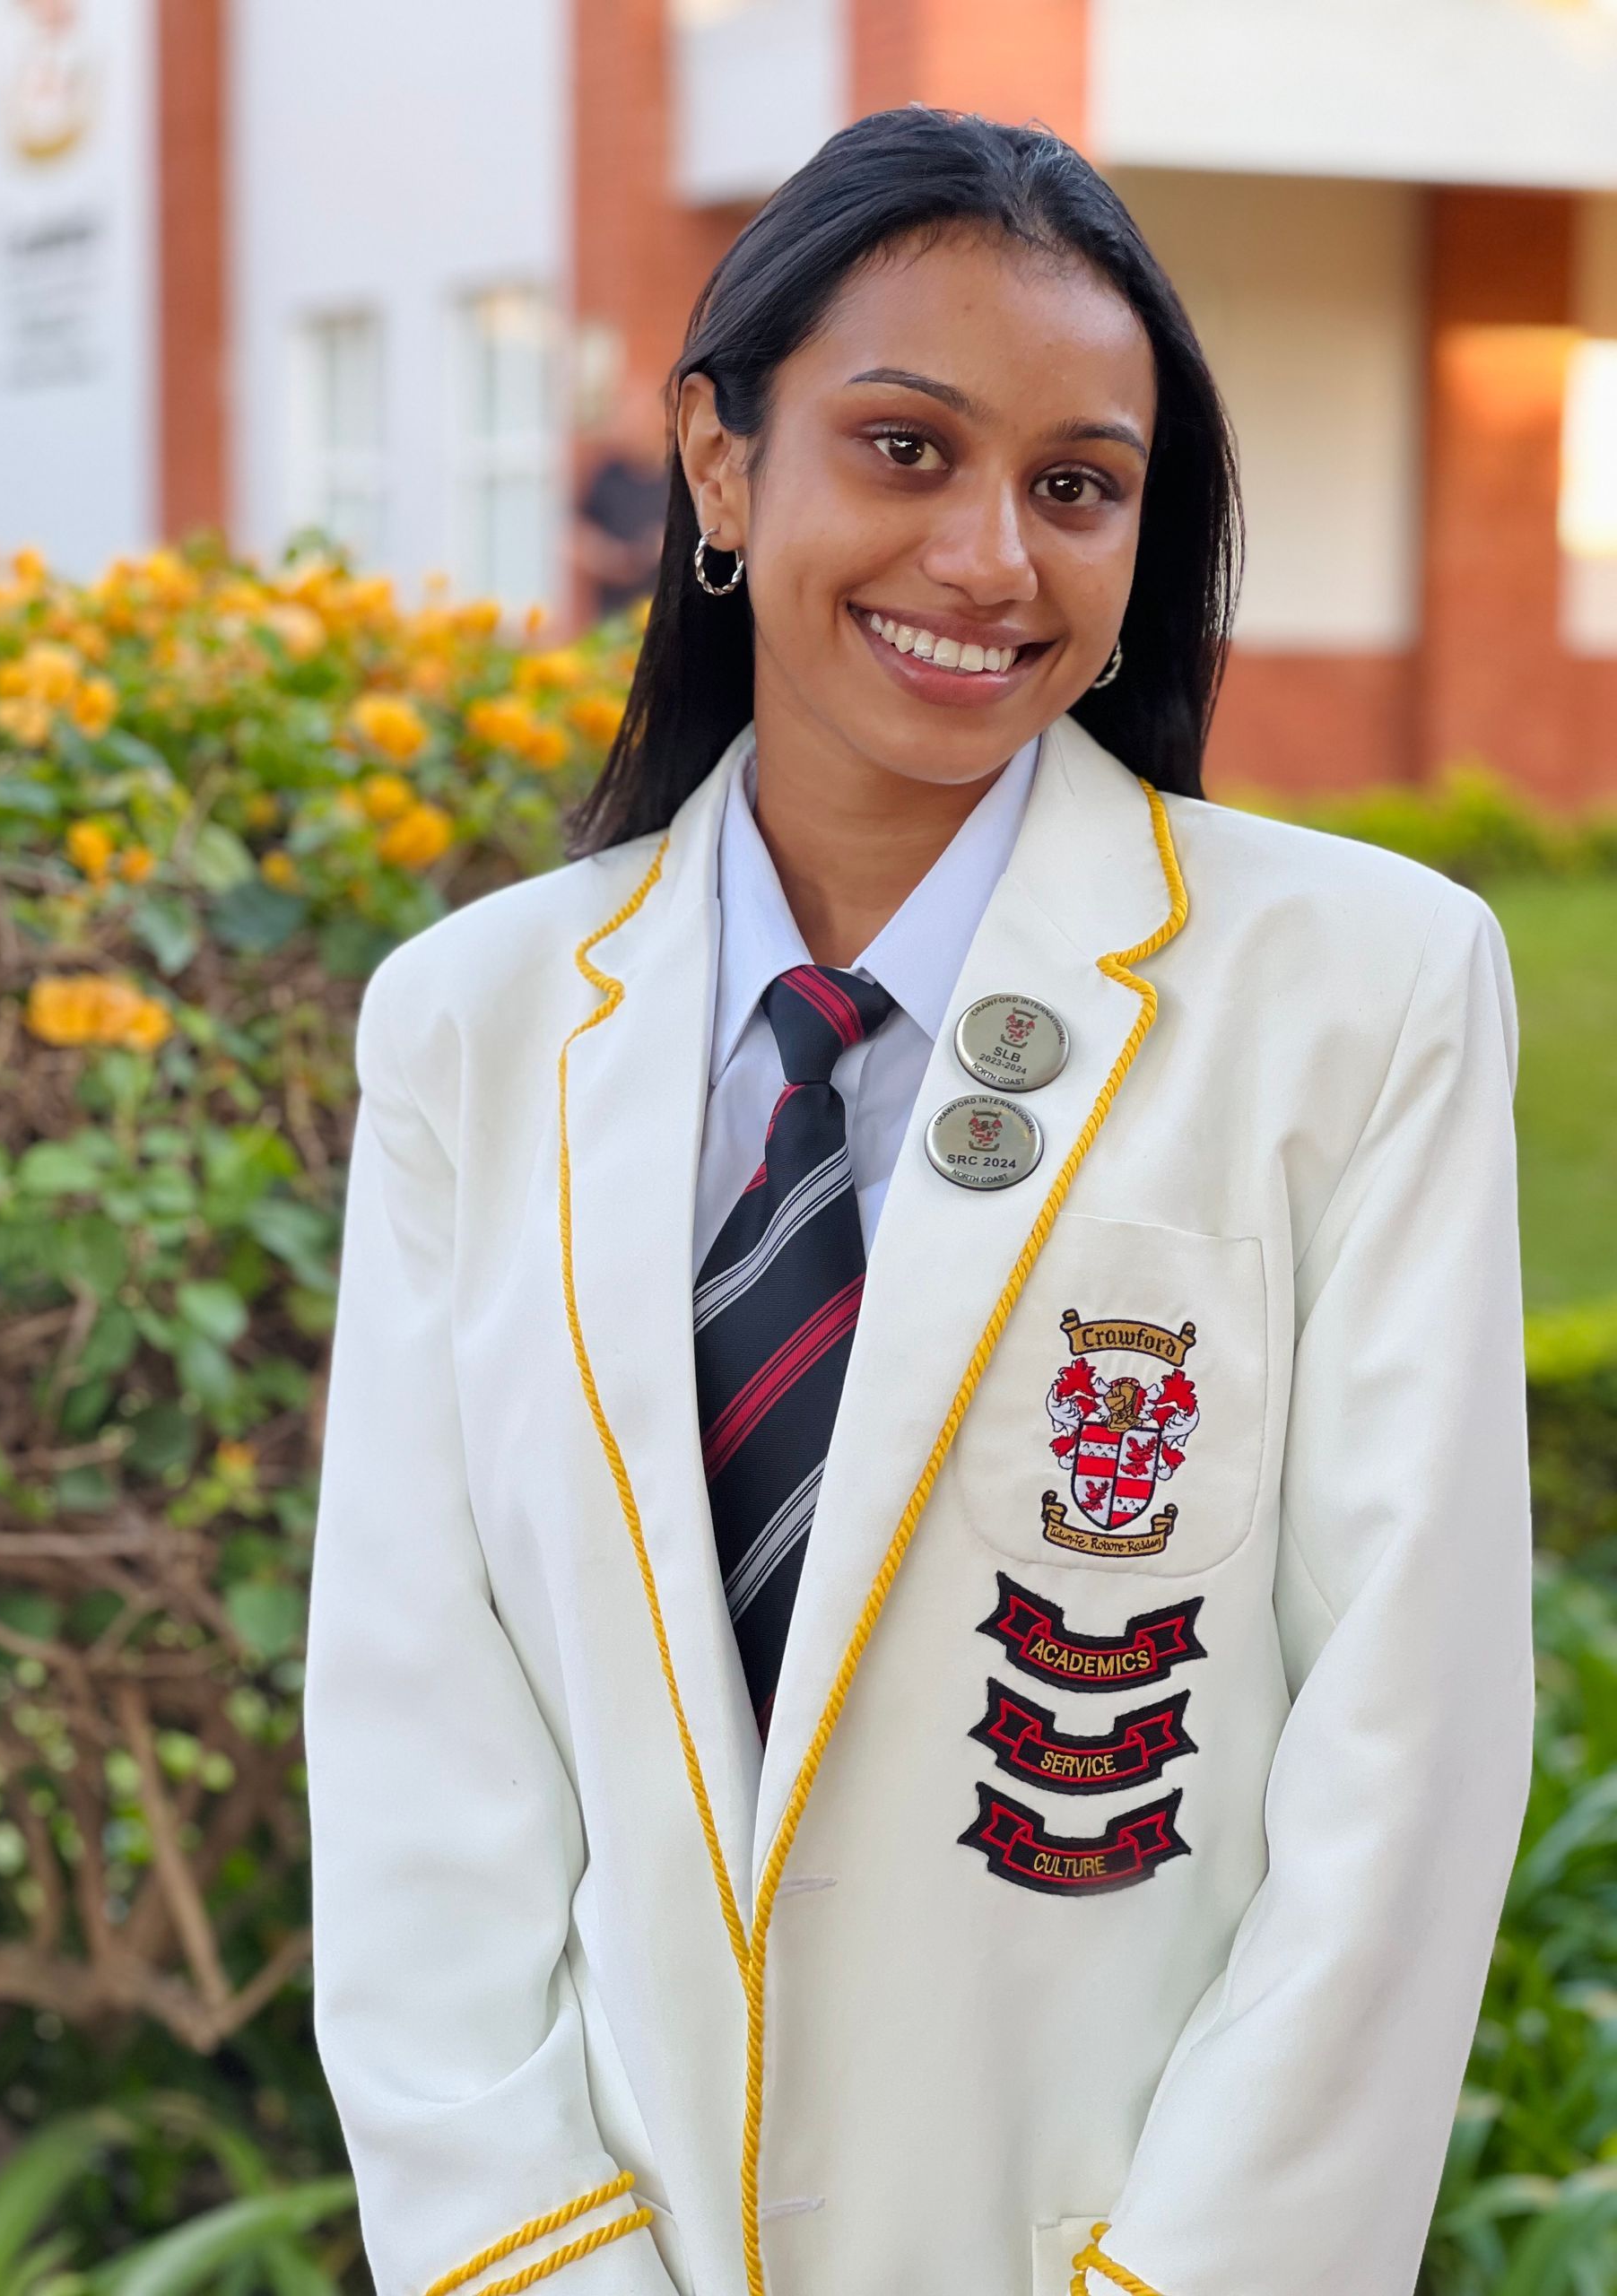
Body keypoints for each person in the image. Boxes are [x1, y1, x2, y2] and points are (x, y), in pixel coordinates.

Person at [303, 107, 1533, 2296]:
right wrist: (533, 2255)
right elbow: (419, 1737)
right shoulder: (476, 1025)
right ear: (715, 463)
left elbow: (1406, 1748)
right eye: (902, 448)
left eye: (1077, 485)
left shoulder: (1356, 990)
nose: (991, 557)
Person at [569, 373, 672, 620]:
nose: (625, 430)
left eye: (634, 421)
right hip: (615, 618)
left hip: (666, 613)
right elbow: (575, 535)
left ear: (656, 423)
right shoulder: (607, 476)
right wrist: (610, 558)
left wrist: (669, 546)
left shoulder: (679, 479)